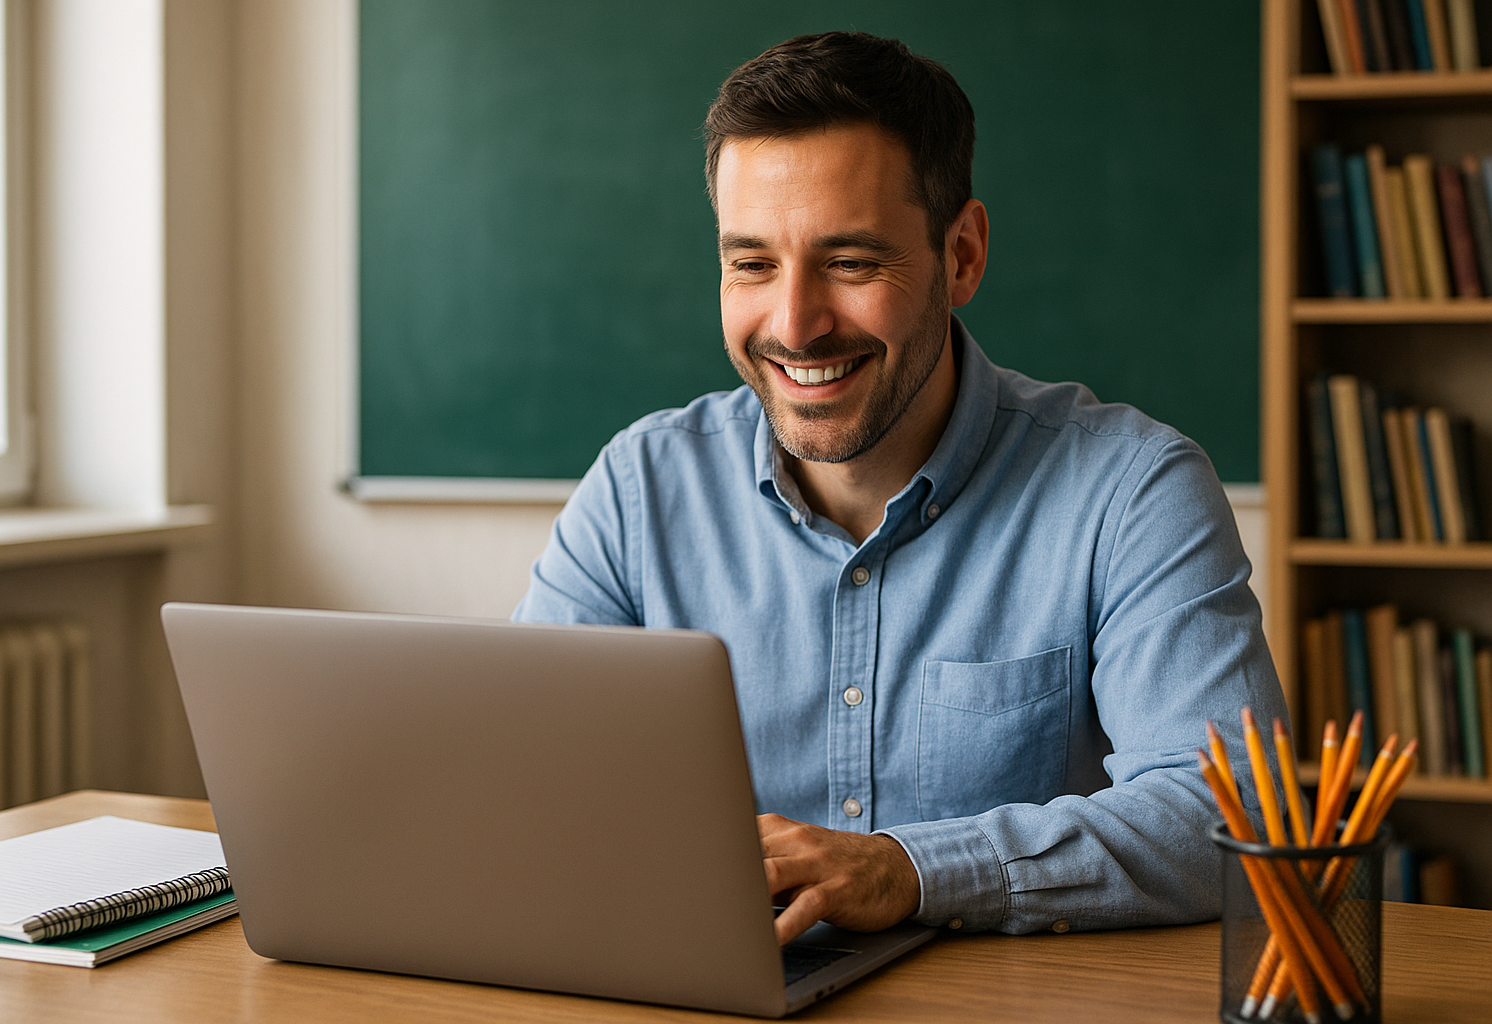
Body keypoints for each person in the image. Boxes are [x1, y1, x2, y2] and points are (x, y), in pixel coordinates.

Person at [513, 31, 1285, 945]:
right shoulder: (639, 489)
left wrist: (907, 869)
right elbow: (528, 790)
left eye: (850, 263)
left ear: (961, 256)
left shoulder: (1132, 491)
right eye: (752, 264)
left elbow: (1234, 817)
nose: (795, 324)